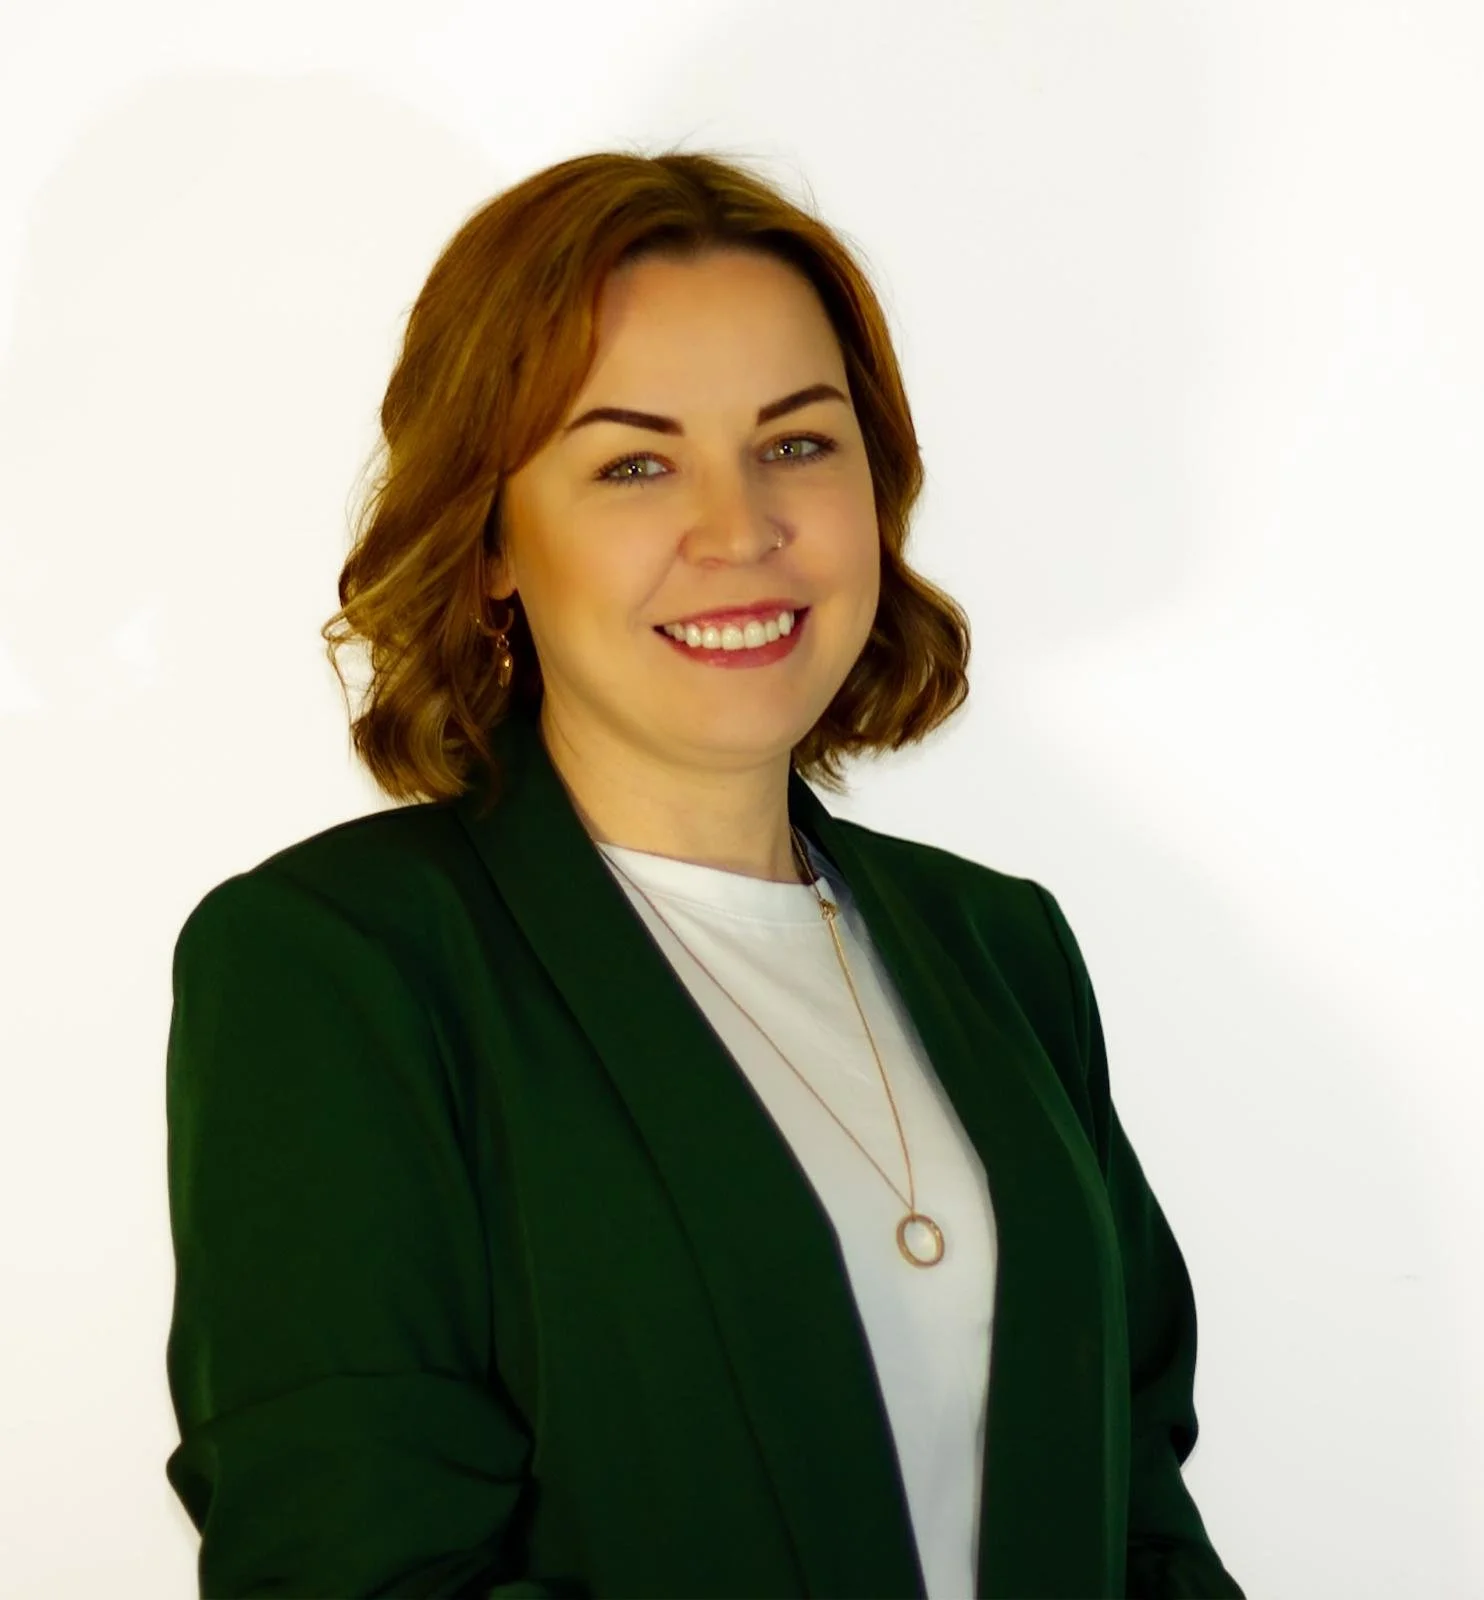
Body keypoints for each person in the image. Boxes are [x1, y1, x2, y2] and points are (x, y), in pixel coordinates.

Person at [162, 147, 1246, 1599]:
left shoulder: (1000, 946)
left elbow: (1138, 1511)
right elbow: (352, 1571)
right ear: (490, 541)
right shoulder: (339, 966)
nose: (742, 531)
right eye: (634, 463)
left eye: (798, 444)